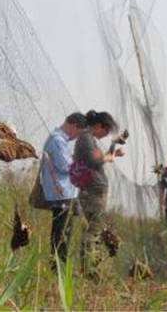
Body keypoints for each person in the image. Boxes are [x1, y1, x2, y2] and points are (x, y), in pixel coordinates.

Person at [74, 110, 124, 279]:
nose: (105, 135)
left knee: (93, 229)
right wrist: (109, 158)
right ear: (98, 126)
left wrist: (112, 151)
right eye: (106, 131)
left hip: (93, 190)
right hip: (92, 192)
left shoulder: (88, 139)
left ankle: (89, 268)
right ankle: (90, 270)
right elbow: (93, 161)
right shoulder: (86, 138)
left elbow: (96, 158)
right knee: (93, 231)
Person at [39, 112, 87, 268]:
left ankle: (59, 266)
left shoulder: (59, 140)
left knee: (63, 231)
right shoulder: (58, 140)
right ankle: (58, 268)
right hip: (61, 194)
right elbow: (65, 166)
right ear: (73, 125)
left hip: (63, 192)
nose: (75, 137)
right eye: (77, 133)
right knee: (61, 233)